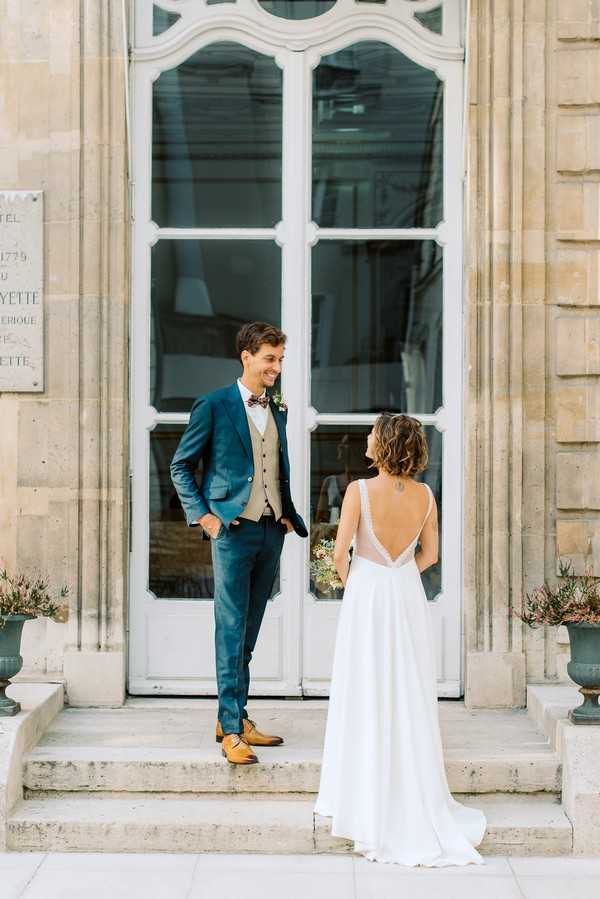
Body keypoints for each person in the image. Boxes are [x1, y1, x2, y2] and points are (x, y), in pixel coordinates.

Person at [314, 412, 486, 865]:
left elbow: (339, 553)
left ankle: (362, 800)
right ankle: (408, 791)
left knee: (364, 689)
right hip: (407, 593)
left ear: (385, 443)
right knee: (406, 689)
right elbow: (430, 555)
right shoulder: (426, 496)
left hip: (367, 595)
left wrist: (358, 583)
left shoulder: (358, 491)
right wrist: (401, 573)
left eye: (373, 434)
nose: (368, 439)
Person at [170, 322, 308, 765]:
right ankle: (231, 731)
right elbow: (181, 466)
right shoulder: (214, 405)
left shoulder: (277, 408)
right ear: (246, 357)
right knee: (230, 627)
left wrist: (284, 512)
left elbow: (275, 464)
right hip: (231, 530)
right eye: (270, 359)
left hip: (270, 530)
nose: (276, 368)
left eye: (280, 360)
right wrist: (206, 517)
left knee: (249, 629)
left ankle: (235, 716)